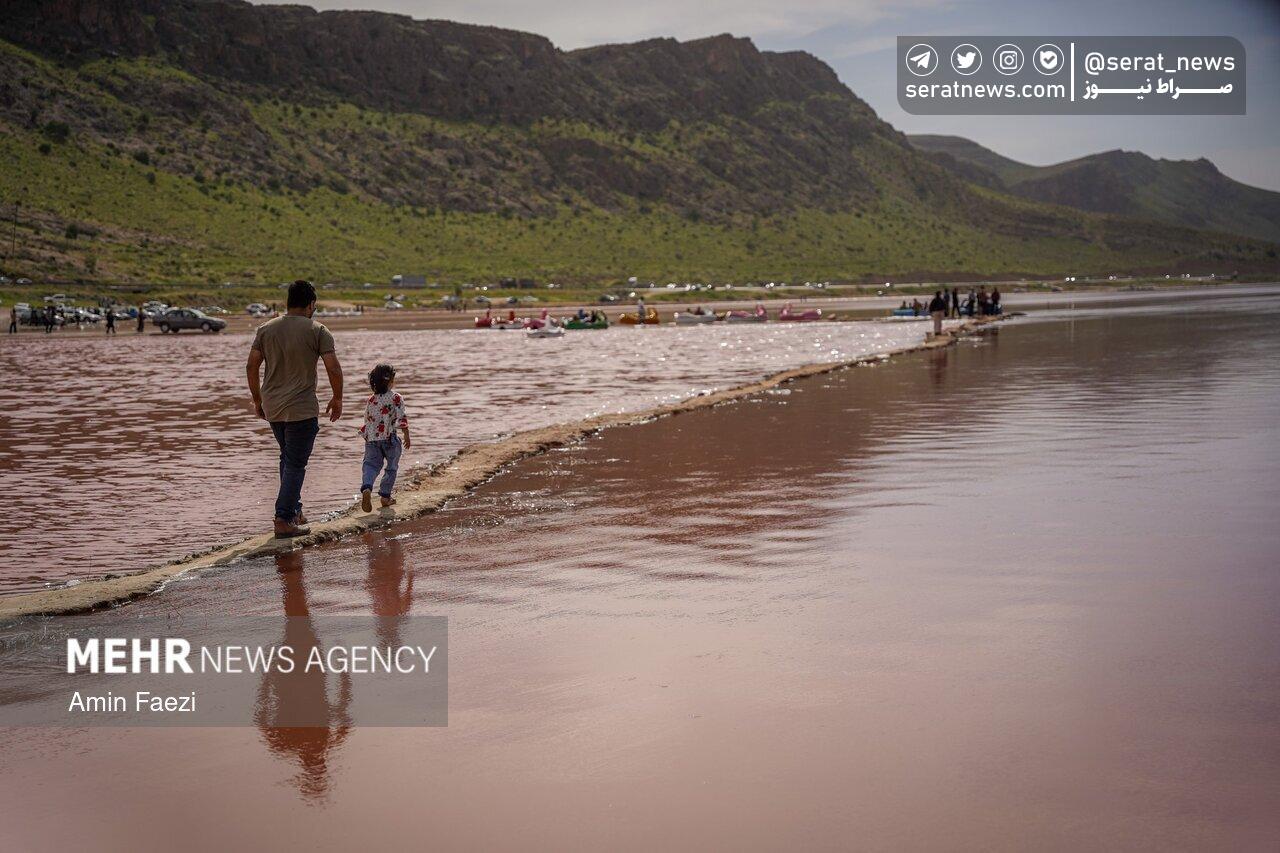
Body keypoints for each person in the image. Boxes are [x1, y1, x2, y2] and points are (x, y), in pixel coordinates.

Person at [246, 279, 344, 538]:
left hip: (273, 406)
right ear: (311, 304)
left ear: (288, 302)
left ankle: (295, 510)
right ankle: (284, 518)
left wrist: (257, 399)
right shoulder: (318, 330)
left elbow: (251, 366)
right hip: (301, 408)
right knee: (295, 464)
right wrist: (337, 398)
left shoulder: (266, 329)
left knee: (287, 458)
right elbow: (333, 367)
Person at [358, 363, 410, 512]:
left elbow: (367, 420)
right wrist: (406, 435)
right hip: (390, 439)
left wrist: (367, 437)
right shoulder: (396, 398)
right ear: (390, 381)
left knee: (370, 465)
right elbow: (401, 417)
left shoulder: (371, 400)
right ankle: (385, 497)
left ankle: (367, 487)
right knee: (391, 468)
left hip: (372, 439)